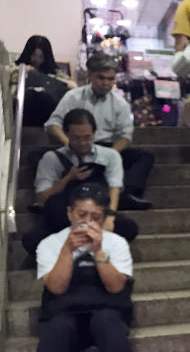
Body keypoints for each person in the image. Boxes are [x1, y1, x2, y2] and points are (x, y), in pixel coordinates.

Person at [27, 183, 138, 352]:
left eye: (95, 217)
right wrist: (68, 249)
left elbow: (116, 287)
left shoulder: (116, 243)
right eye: (82, 216)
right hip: (67, 315)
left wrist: (99, 252)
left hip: (105, 311)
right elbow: (55, 287)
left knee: (108, 321)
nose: (88, 222)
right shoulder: (49, 244)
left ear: (104, 217)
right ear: (70, 214)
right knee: (56, 328)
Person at [24, 109, 139, 257]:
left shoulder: (110, 156)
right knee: (31, 240)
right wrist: (68, 178)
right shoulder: (51, 158)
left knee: (129, 228)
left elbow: (114, 189)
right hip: (64, 219)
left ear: (94, 133)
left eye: (87, 137)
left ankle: (75, 251)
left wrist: (109, 217)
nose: (82, 142)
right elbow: (41, 199)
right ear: (66, 134)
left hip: (96, 217)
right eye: (76, 138)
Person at [46, 53, 153, 210]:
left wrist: (110, 156)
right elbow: (53, 125)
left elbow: (125, 135)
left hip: (106, 148)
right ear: (90, 76)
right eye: (101, 78)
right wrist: (70, 145)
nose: (106, 83)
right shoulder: (73, 97)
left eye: (110, 79)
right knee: (40, 156)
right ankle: (49, 197)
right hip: (76, 147)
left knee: (144, 157)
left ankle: (127, 194)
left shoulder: (120, 104)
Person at [12, 35, 76, 126]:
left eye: (41, 56)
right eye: (34, 55)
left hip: (47, 123)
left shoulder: (55, 74)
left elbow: (71, 85)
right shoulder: (16, 70)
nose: (36, 60)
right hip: (20, 120)